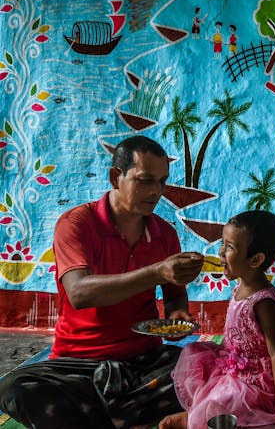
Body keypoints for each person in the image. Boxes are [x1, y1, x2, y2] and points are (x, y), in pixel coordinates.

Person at [0, 135, 205, 428]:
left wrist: (176, 315)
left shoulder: (164, 234)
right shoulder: (76, 225)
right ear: (115, 177)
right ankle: (125, 414)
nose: (155, 191)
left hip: (144, 361)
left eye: (162, 182)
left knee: (207, 364)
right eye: (145, 180)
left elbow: (174, 295)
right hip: (78, 365)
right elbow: (79, 293)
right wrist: (156, 272)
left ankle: (99, 415)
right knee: (15, 389)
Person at [158, 210, 275, 429]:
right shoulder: (241, 284)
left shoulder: (263, 303)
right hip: (231, 362)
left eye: (230, 247)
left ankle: (192, 419)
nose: (221, 253)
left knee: (224, 401)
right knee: (194, 355)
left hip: (255, 378)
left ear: (256, 259)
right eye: (223, 244)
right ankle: (195, 415)